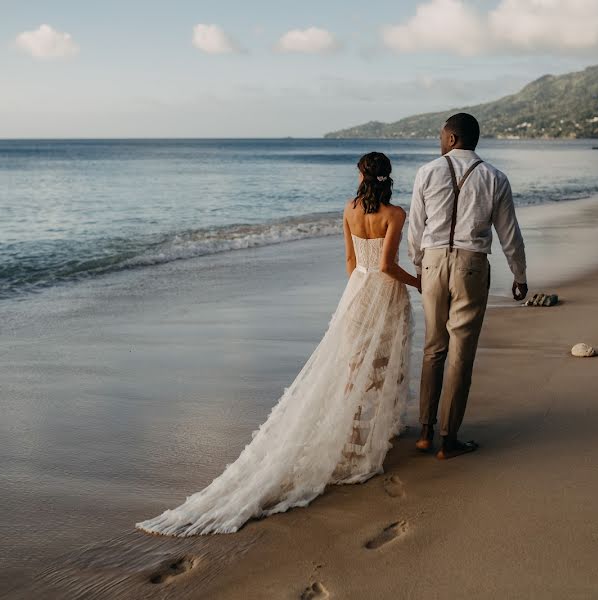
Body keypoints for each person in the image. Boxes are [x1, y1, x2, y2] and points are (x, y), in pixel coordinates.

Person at [136, 152, 419, 536]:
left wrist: (356, 293)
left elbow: (352, 262)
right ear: (388, 177)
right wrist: (419, 282)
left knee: (353, 363)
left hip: (356, 291)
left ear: (360, 176)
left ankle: (352, 435)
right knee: (385, 362)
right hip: (384, 292)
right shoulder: (395, 214)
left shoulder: (350, 209)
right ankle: (374, 436)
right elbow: (387, 266)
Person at [407, 112, 528, 460]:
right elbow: (510, 234)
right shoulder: (495, 177)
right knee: (461, 352)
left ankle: (425, 433)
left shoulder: (426, 172)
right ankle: (449, 439)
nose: (440, 141)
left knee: (433, 347)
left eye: (442, 136)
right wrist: (519, 276)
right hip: (471, 265)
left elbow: (416, 228)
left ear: (453, 139)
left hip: (432, 261)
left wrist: (419, 267)